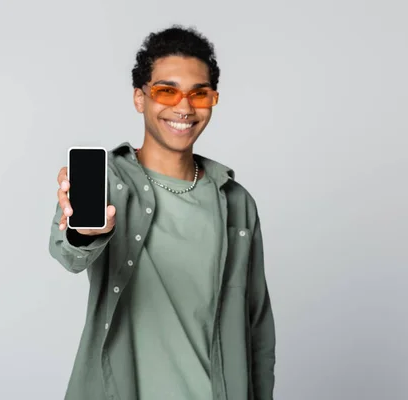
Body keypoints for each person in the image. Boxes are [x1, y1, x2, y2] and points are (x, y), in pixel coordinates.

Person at [49, 25, 275, 400]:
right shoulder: (105, 181)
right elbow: (67, 253)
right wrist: (82, 233)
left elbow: (258, 326)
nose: (184, 107)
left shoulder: (236, 202)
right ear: (140, 98)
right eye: (166, 91)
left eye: (199, 94)